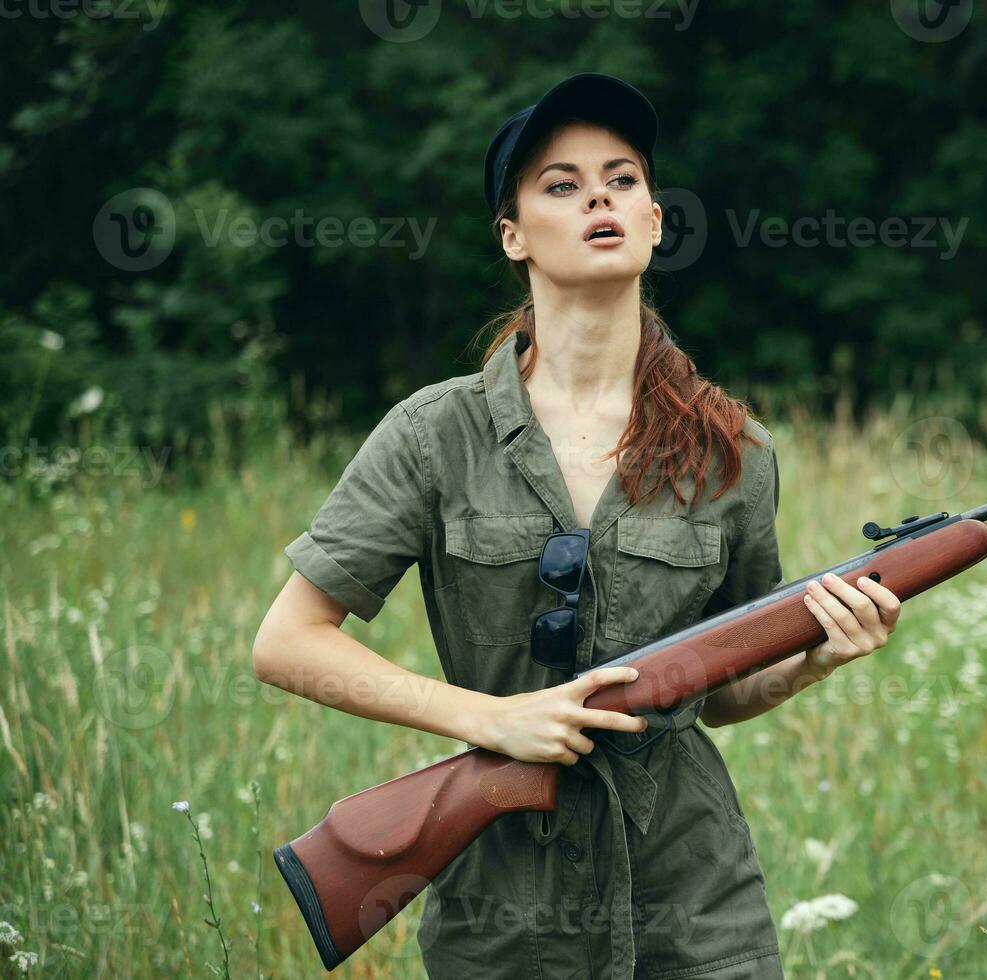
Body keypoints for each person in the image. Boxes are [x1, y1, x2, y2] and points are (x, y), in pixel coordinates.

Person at [252, 72, 903, 979]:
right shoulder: (434, 433)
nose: (598, 195)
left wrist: (816, 658)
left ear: (655, 221)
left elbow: (722, 687)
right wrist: (492, 719)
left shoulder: (734, 450)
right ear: (513, 236)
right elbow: (287, 642)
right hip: (504, 916)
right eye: (560, 184)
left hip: (694, 907)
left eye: (623, 178)